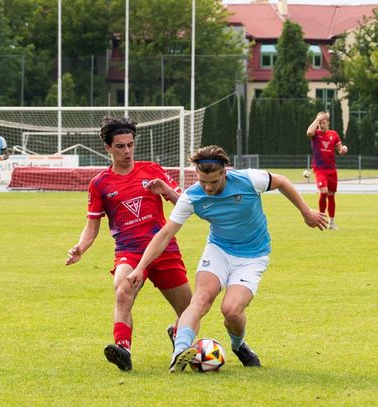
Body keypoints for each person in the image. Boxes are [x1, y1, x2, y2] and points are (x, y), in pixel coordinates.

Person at [126, 145, 329, 372]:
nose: (208, 187)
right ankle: (179, 353)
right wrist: (140, 267)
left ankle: (238, 345)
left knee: (231, 311)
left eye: (213, 182)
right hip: (218, 250)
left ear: (225, 172)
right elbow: (164, 234)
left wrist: (305, 212)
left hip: (253, 256)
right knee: (200, 299)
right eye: (203, 181)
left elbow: (281, 181)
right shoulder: (192, 196)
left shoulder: (249, 180)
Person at [66, 116, 192, 372]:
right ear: (108, 148)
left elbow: (186, 204)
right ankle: (123, 349)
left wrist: (166, 191)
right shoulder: (100, 183)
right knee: (123, 291)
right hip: (129, 251)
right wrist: (80, 247)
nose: (127, 151)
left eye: (130, 145)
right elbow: (92, 227)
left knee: (189, 309)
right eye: (120, 146)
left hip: (164, 248)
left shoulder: (152, 170)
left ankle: (177, 333)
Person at [306, 111, 348, 230]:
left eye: (323, 122)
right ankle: (321, 219)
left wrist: (344, 149)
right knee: (323, 191)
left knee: (331, 196)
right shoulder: (315, 134)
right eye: (320, 123)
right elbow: (309, 132)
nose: (321, 125)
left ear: (328, 123)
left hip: (331, 169)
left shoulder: (334, 134)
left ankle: (332, 223)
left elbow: (340, 149)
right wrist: (317, 118)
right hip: (319, 168)